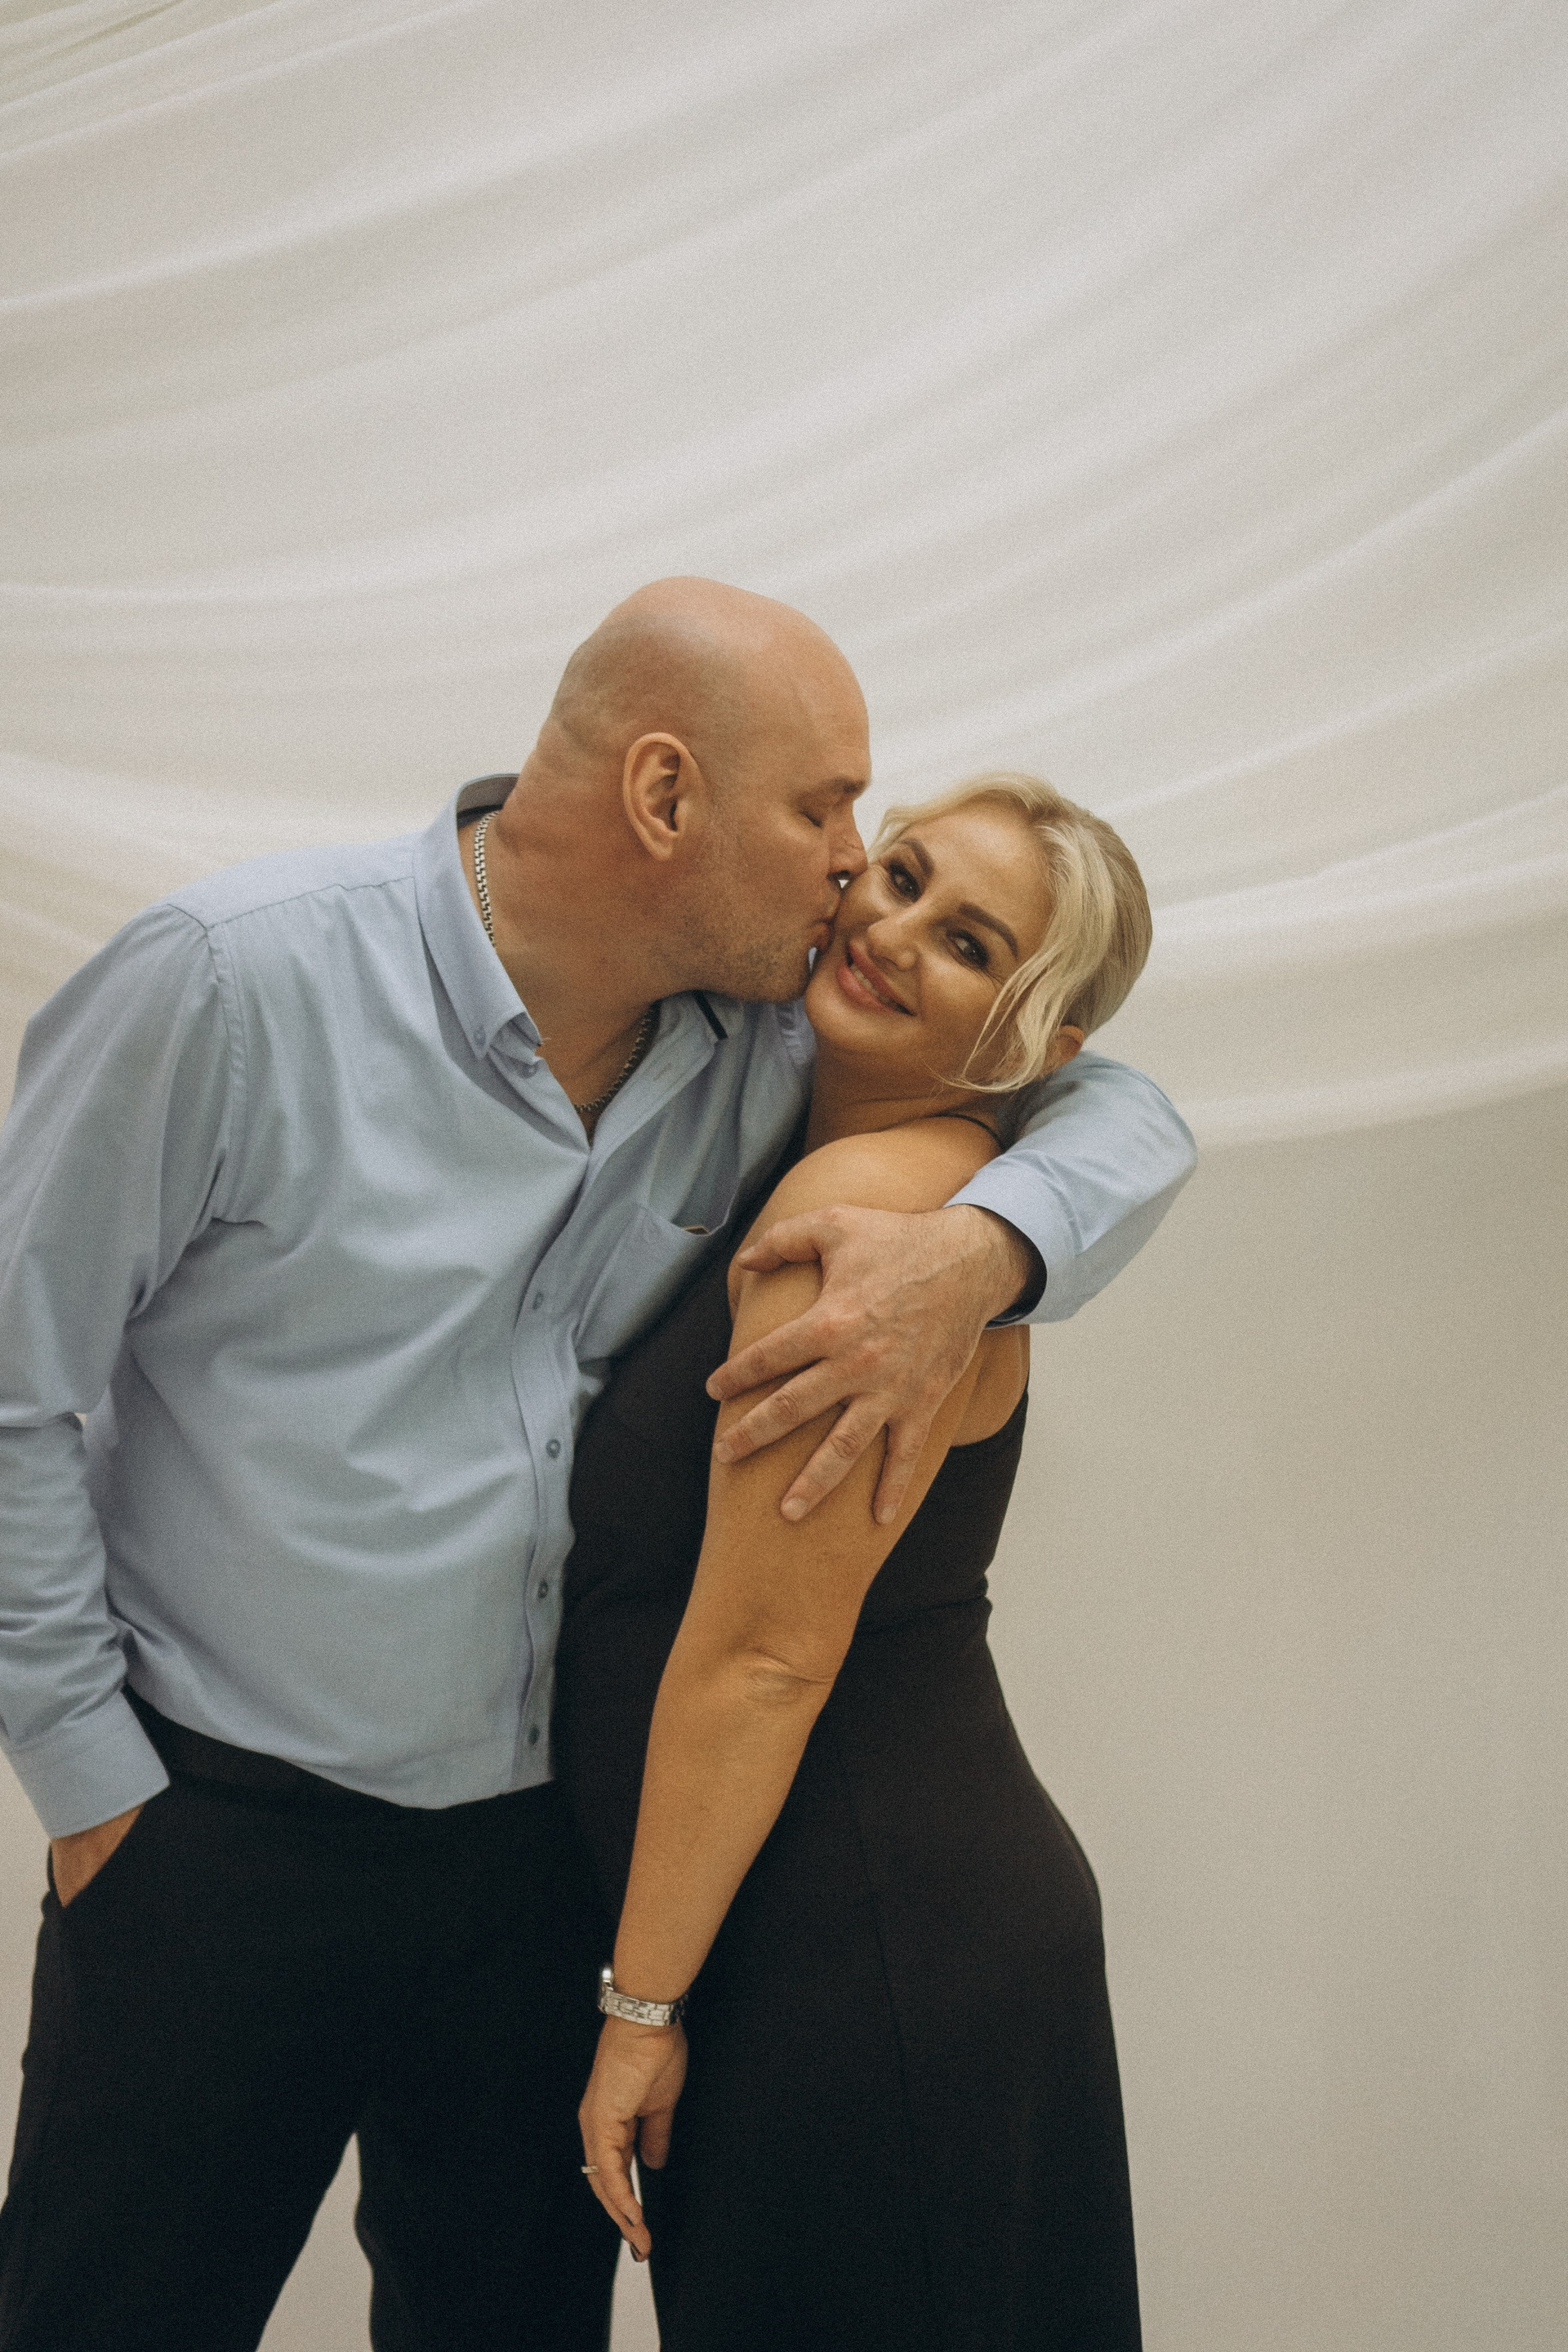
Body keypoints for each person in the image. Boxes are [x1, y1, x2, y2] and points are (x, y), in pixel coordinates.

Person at [0, 579, 1192, 2352]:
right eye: (830, 814)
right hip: (219, 1844)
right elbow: (14, 1385)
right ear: (664, 795)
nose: (854, 873)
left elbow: (1114, 1101)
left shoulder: (769, 1035)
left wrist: (984, 1247)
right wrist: (95, 1788)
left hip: (545, 1885)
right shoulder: (232, 982)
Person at [565, 772, 1156, 2351]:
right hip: (833, 1923)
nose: (893, 933)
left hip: (862, 1943)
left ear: (1035, 1041)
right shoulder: (848, 1168)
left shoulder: (867, 1214)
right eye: (900, 878)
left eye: (969, 943)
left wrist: (639, 2009)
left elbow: (767, 1658)